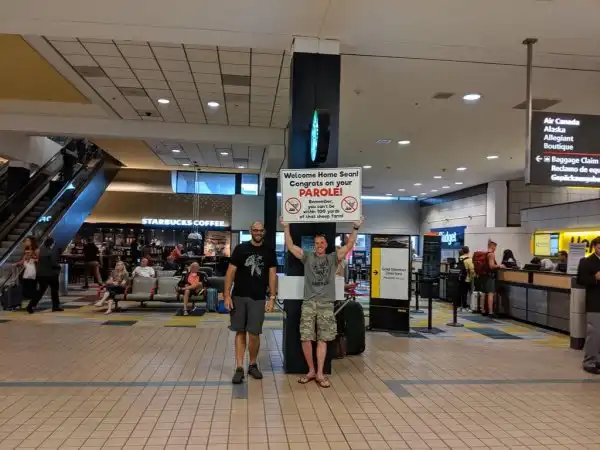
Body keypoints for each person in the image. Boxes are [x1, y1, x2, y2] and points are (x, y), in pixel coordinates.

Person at [282, 216, 364, 388]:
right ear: (314, 245)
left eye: (322, 243)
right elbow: (290, 246)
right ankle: (311, 371)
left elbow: (349, 245)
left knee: (323, 339)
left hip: (326, 304)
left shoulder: (333, 258)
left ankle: (320, 373)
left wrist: (356, 228)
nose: (319, 245)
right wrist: (286, 227)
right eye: (316, 243)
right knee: (306, 338)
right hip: (309, 303)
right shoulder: (307, 257)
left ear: (326, 245)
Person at [224, 221, 277, 384]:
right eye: (255, 230)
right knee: (240, 332)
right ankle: (239, 367)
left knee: (254, 333)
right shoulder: (240, 249)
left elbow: (272, 275)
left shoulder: (269, 251)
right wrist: (226, 295)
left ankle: (252, 364)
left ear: (264, 232)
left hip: (258, 298)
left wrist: (272, 297)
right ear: (250, 231)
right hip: (239, 296)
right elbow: (230, 272)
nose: (258, 232)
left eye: (260, 230)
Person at [576, 237, 600, 375]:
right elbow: (580, 280)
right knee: (594, 333)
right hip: (595, 302)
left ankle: (598, 359)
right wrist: (594, 278)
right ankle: (589, 361)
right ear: (594, 247)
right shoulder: (586, 262)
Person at [26, 237, 63, 314]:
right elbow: (53, 263)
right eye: (53, 243)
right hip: (51, 274)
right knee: (54, 290)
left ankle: (31, 305)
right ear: (51, 244)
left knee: (41, 291)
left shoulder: (40, 250)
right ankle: (55, 306)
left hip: (40, 274)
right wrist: (59, 267)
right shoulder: (50, 252)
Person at [479, 240, 503, 317]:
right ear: (492, 246)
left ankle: (483, 310)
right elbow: (491, 266)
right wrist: (499, 266)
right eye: (495, 247)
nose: (495, 248)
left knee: (483, 293)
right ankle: (490, 312)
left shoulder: (485, 253)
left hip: (483, 276)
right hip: (489, 276)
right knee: (490, 293)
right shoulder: (491, 254)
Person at [457, 246, 475, 311]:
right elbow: (472, 270)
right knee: (466, 293)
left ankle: (459, 306)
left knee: (460, 292)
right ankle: (465, 306)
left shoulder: (460, 258)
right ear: (468, 251)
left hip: (460, 278)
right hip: (467, 278)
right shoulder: (469, 260)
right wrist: (472, 276)